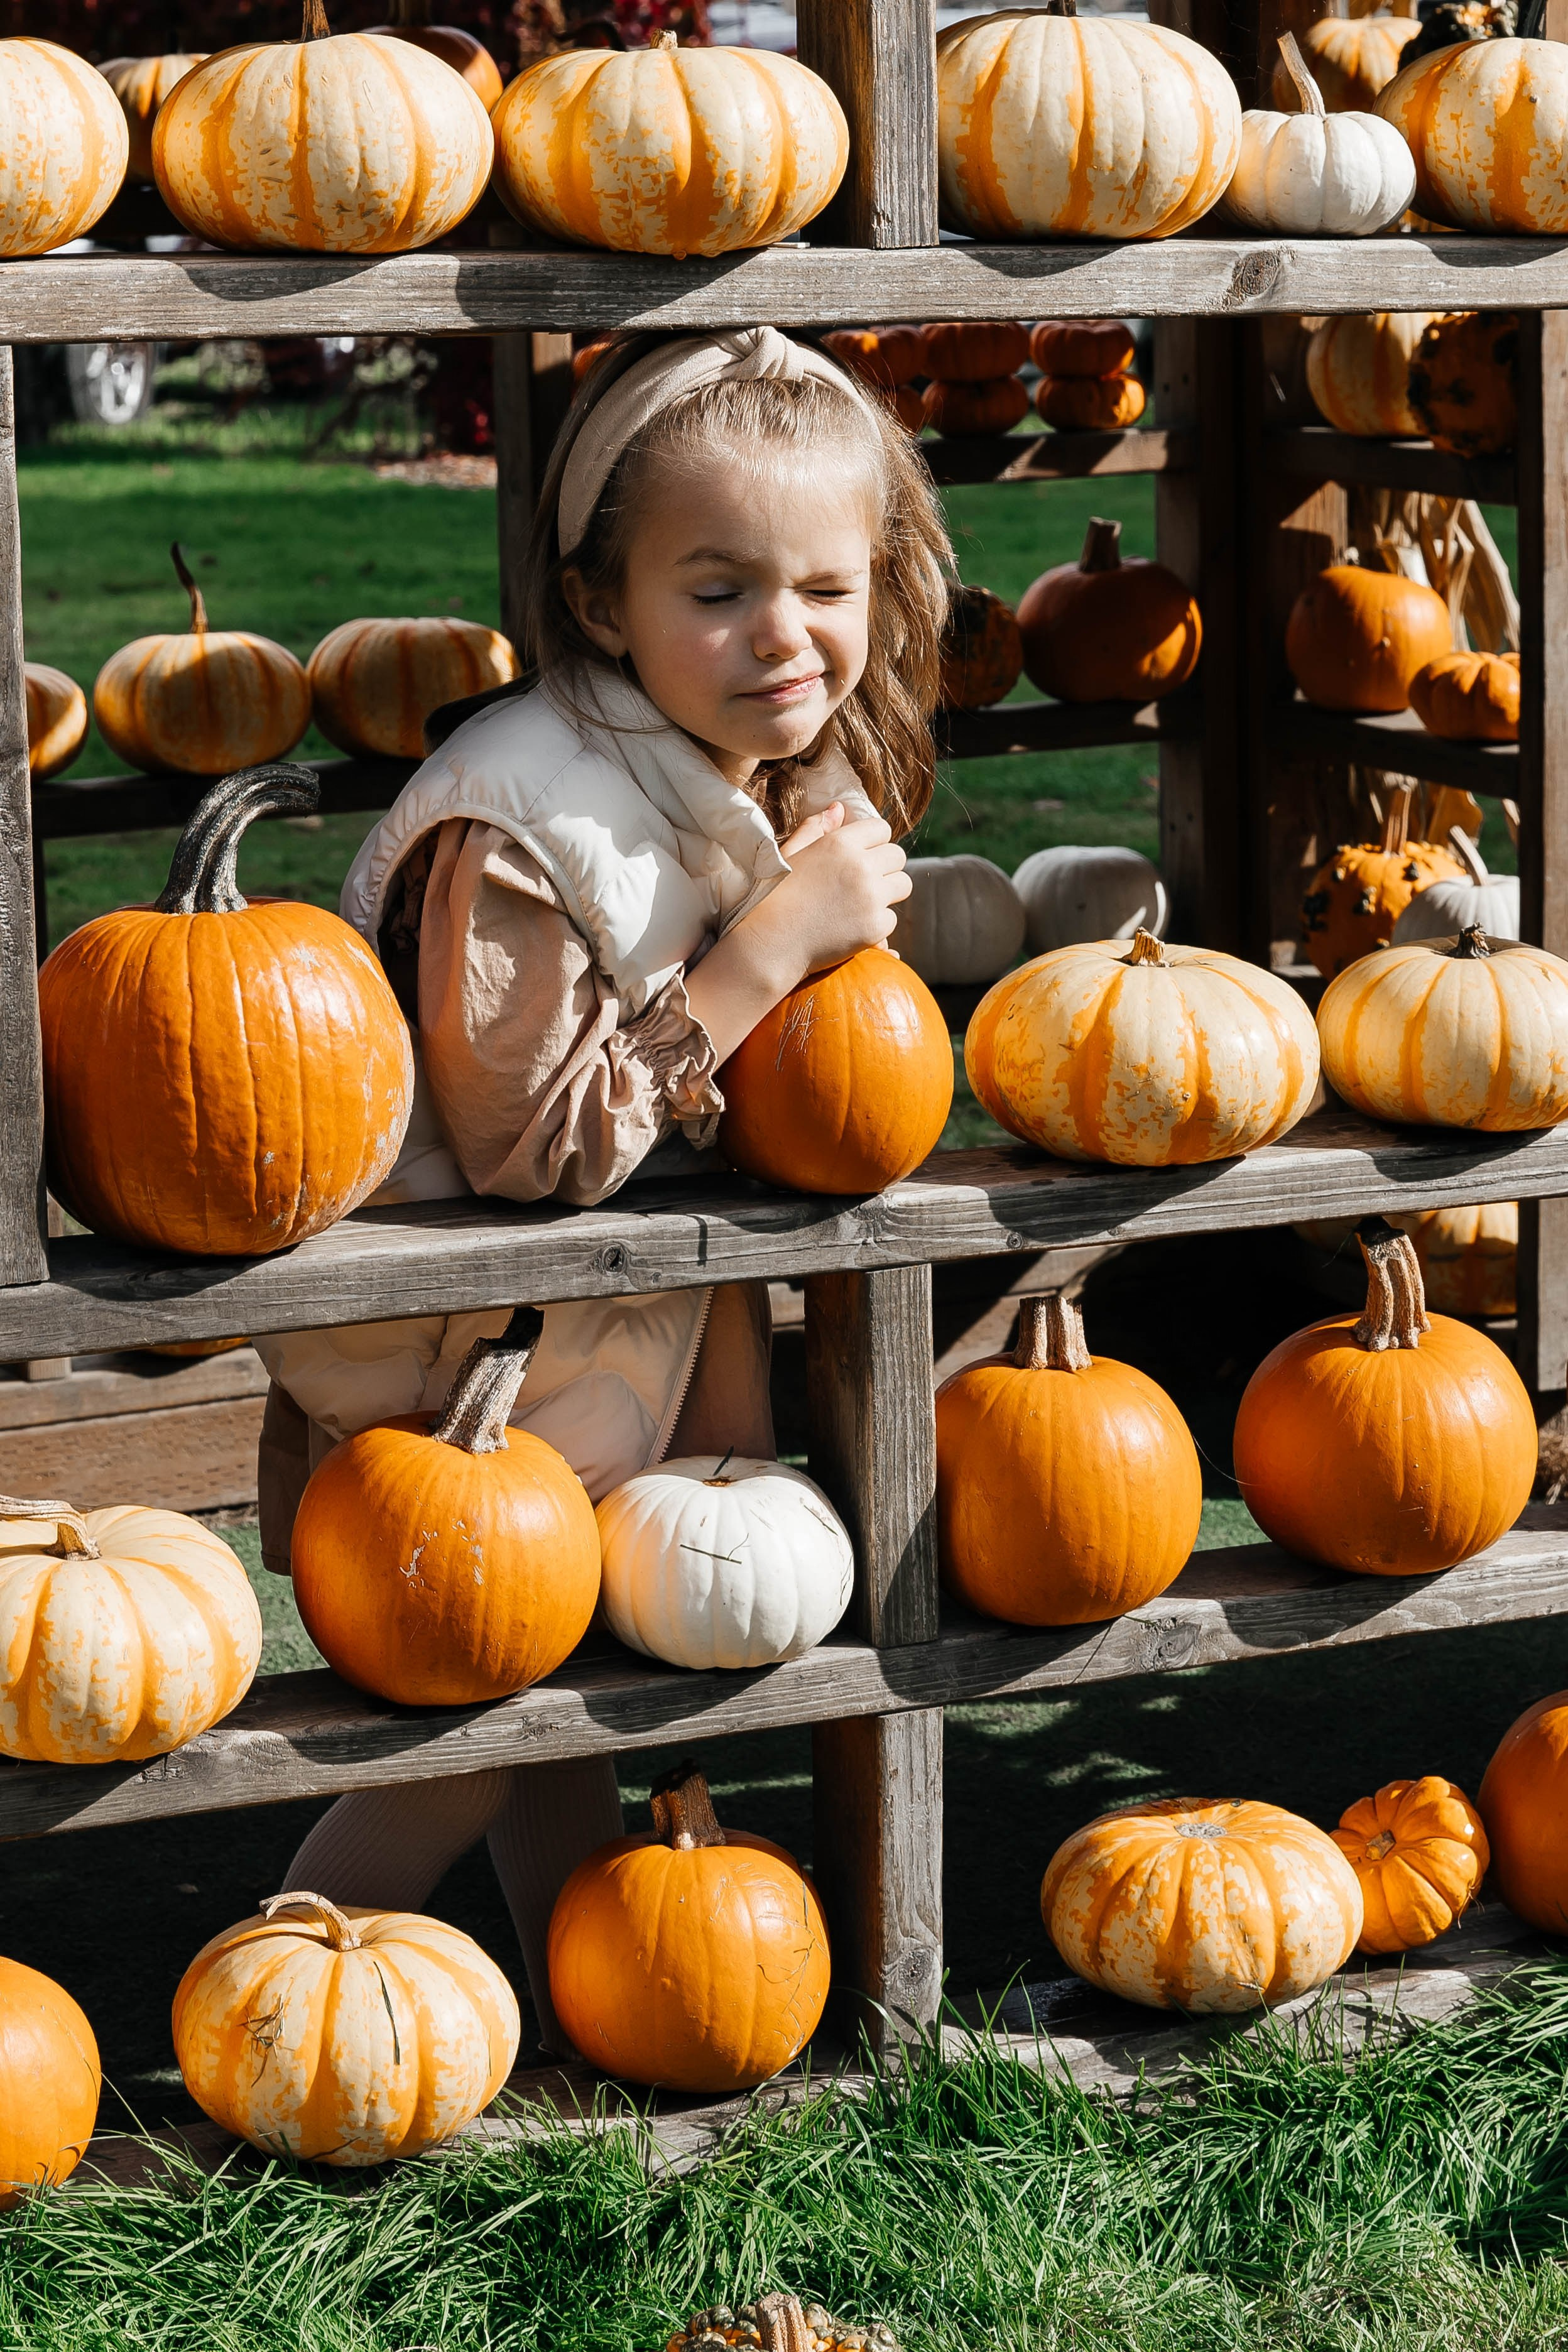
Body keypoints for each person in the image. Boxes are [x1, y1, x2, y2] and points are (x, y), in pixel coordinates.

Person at [254, 325, 953, 2055]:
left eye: (823, 585)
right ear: (598, 606)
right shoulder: (528, 817)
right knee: (489, 1714)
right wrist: (772, 950)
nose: (783, 636)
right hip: (453, 1375)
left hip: (588, 1340)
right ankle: (277, 1995)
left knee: (553, 1706)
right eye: (719, 590)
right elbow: (530, 1153)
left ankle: (588, 2025)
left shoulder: (709, 764)